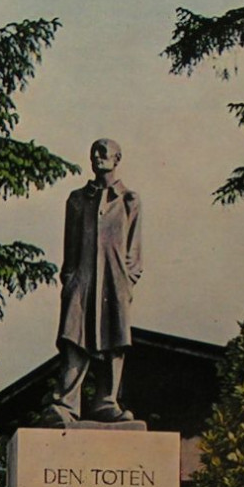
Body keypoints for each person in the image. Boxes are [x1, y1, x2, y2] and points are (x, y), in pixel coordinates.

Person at [42, 138, 142, 425]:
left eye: (104, 151)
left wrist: (126, 280)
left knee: (114, 339)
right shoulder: (76, 199)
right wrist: (70, 280)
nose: (97, 156)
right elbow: (69, 248)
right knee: (74, 337)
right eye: (93, 152)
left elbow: (134, 252)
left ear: (117, 158)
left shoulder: (129, 200)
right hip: (82, 280)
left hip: (115, 281)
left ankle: (106, 401)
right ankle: (66, 403)